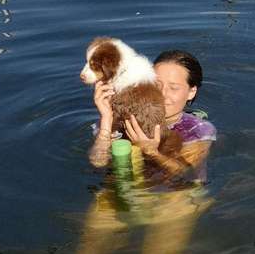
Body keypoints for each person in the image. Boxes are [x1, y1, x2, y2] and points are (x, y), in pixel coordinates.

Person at [88, 49, 216, 183]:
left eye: (173, 88)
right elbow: (98, 162)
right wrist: (107, 118)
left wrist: (152, 152)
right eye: (156, 84)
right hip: (121, 191)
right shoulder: (123, 120)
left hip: (175, 196)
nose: (162, 94)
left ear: (191, 92)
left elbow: (186, 174)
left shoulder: (197, 130)